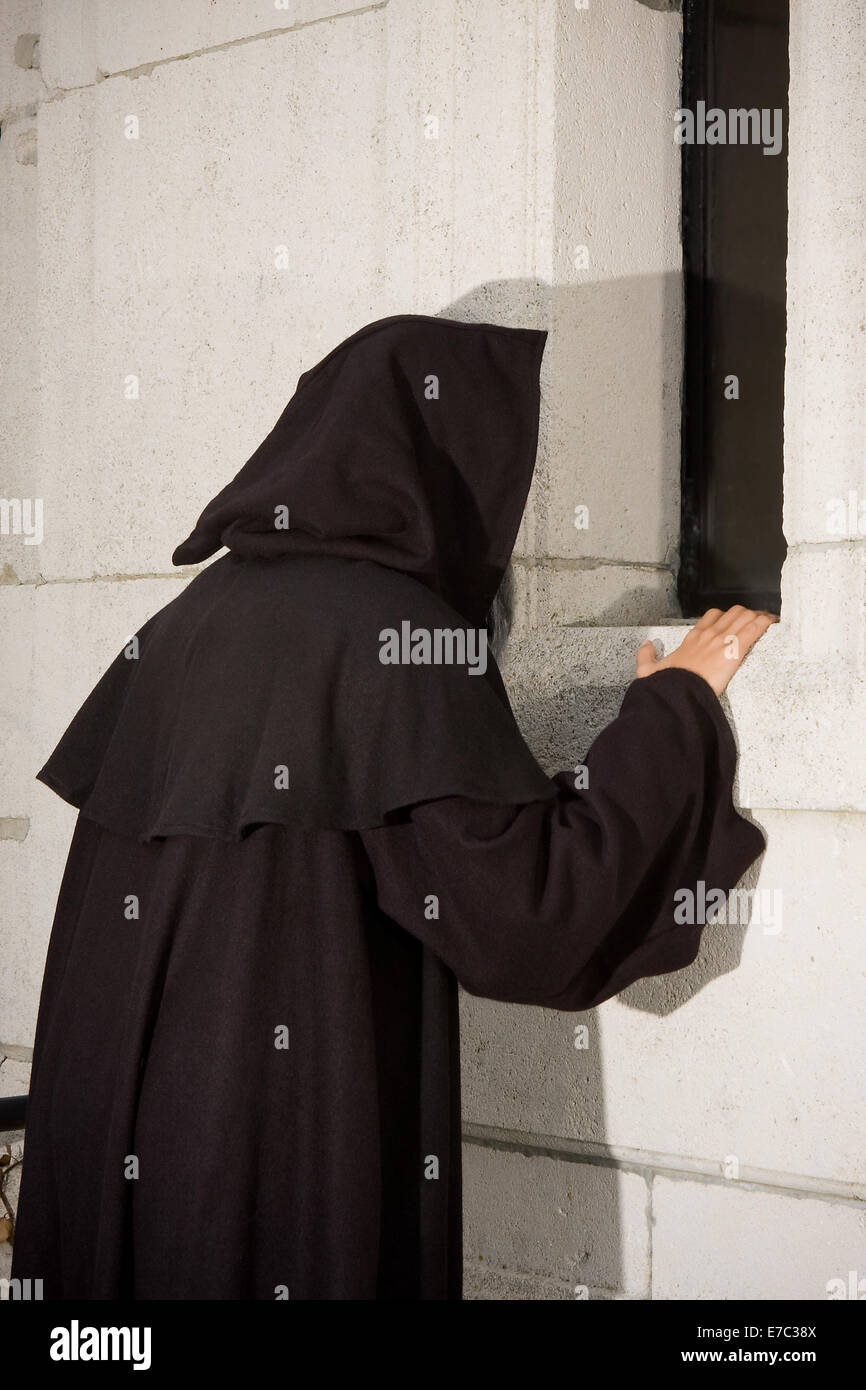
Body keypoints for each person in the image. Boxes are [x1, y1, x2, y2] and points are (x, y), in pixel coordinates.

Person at [12, 314, 775, 1300]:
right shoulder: (394, 636)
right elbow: (530, 914)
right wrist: (675, 707)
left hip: (123, 1155)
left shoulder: (181, 623)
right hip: (272, 1167)